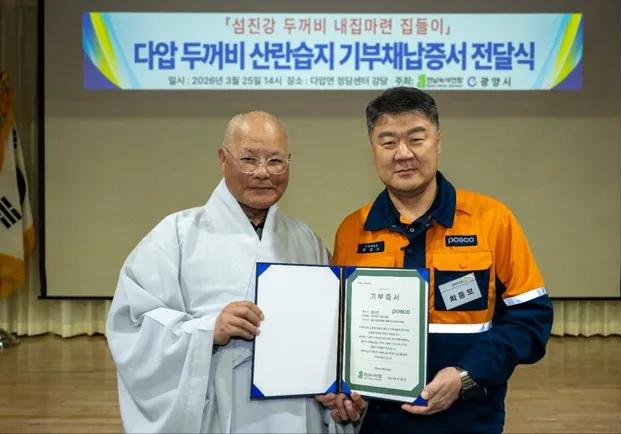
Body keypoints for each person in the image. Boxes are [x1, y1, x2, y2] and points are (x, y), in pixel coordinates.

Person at [105, 111, 356, 433]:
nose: (263, 173)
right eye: (249, 159)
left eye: (276, 161)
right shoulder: (177, 234)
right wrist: (209, 330)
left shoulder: (305, 240)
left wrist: (334, 385)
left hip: (295, 408)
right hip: (217, 408)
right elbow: (134, 325)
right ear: (223, 159)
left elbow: (331, 328)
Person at [326, 87, 554, 433]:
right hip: (379, 423)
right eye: (388, 142)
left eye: (416, 139)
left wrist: (466, 375)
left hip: (470, 419)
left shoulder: (492, 220)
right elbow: (339, 331)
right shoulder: (352, 231)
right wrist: (343, 391)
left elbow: (531, 320)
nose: (403, 154)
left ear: (438, 142)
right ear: (373, 149)